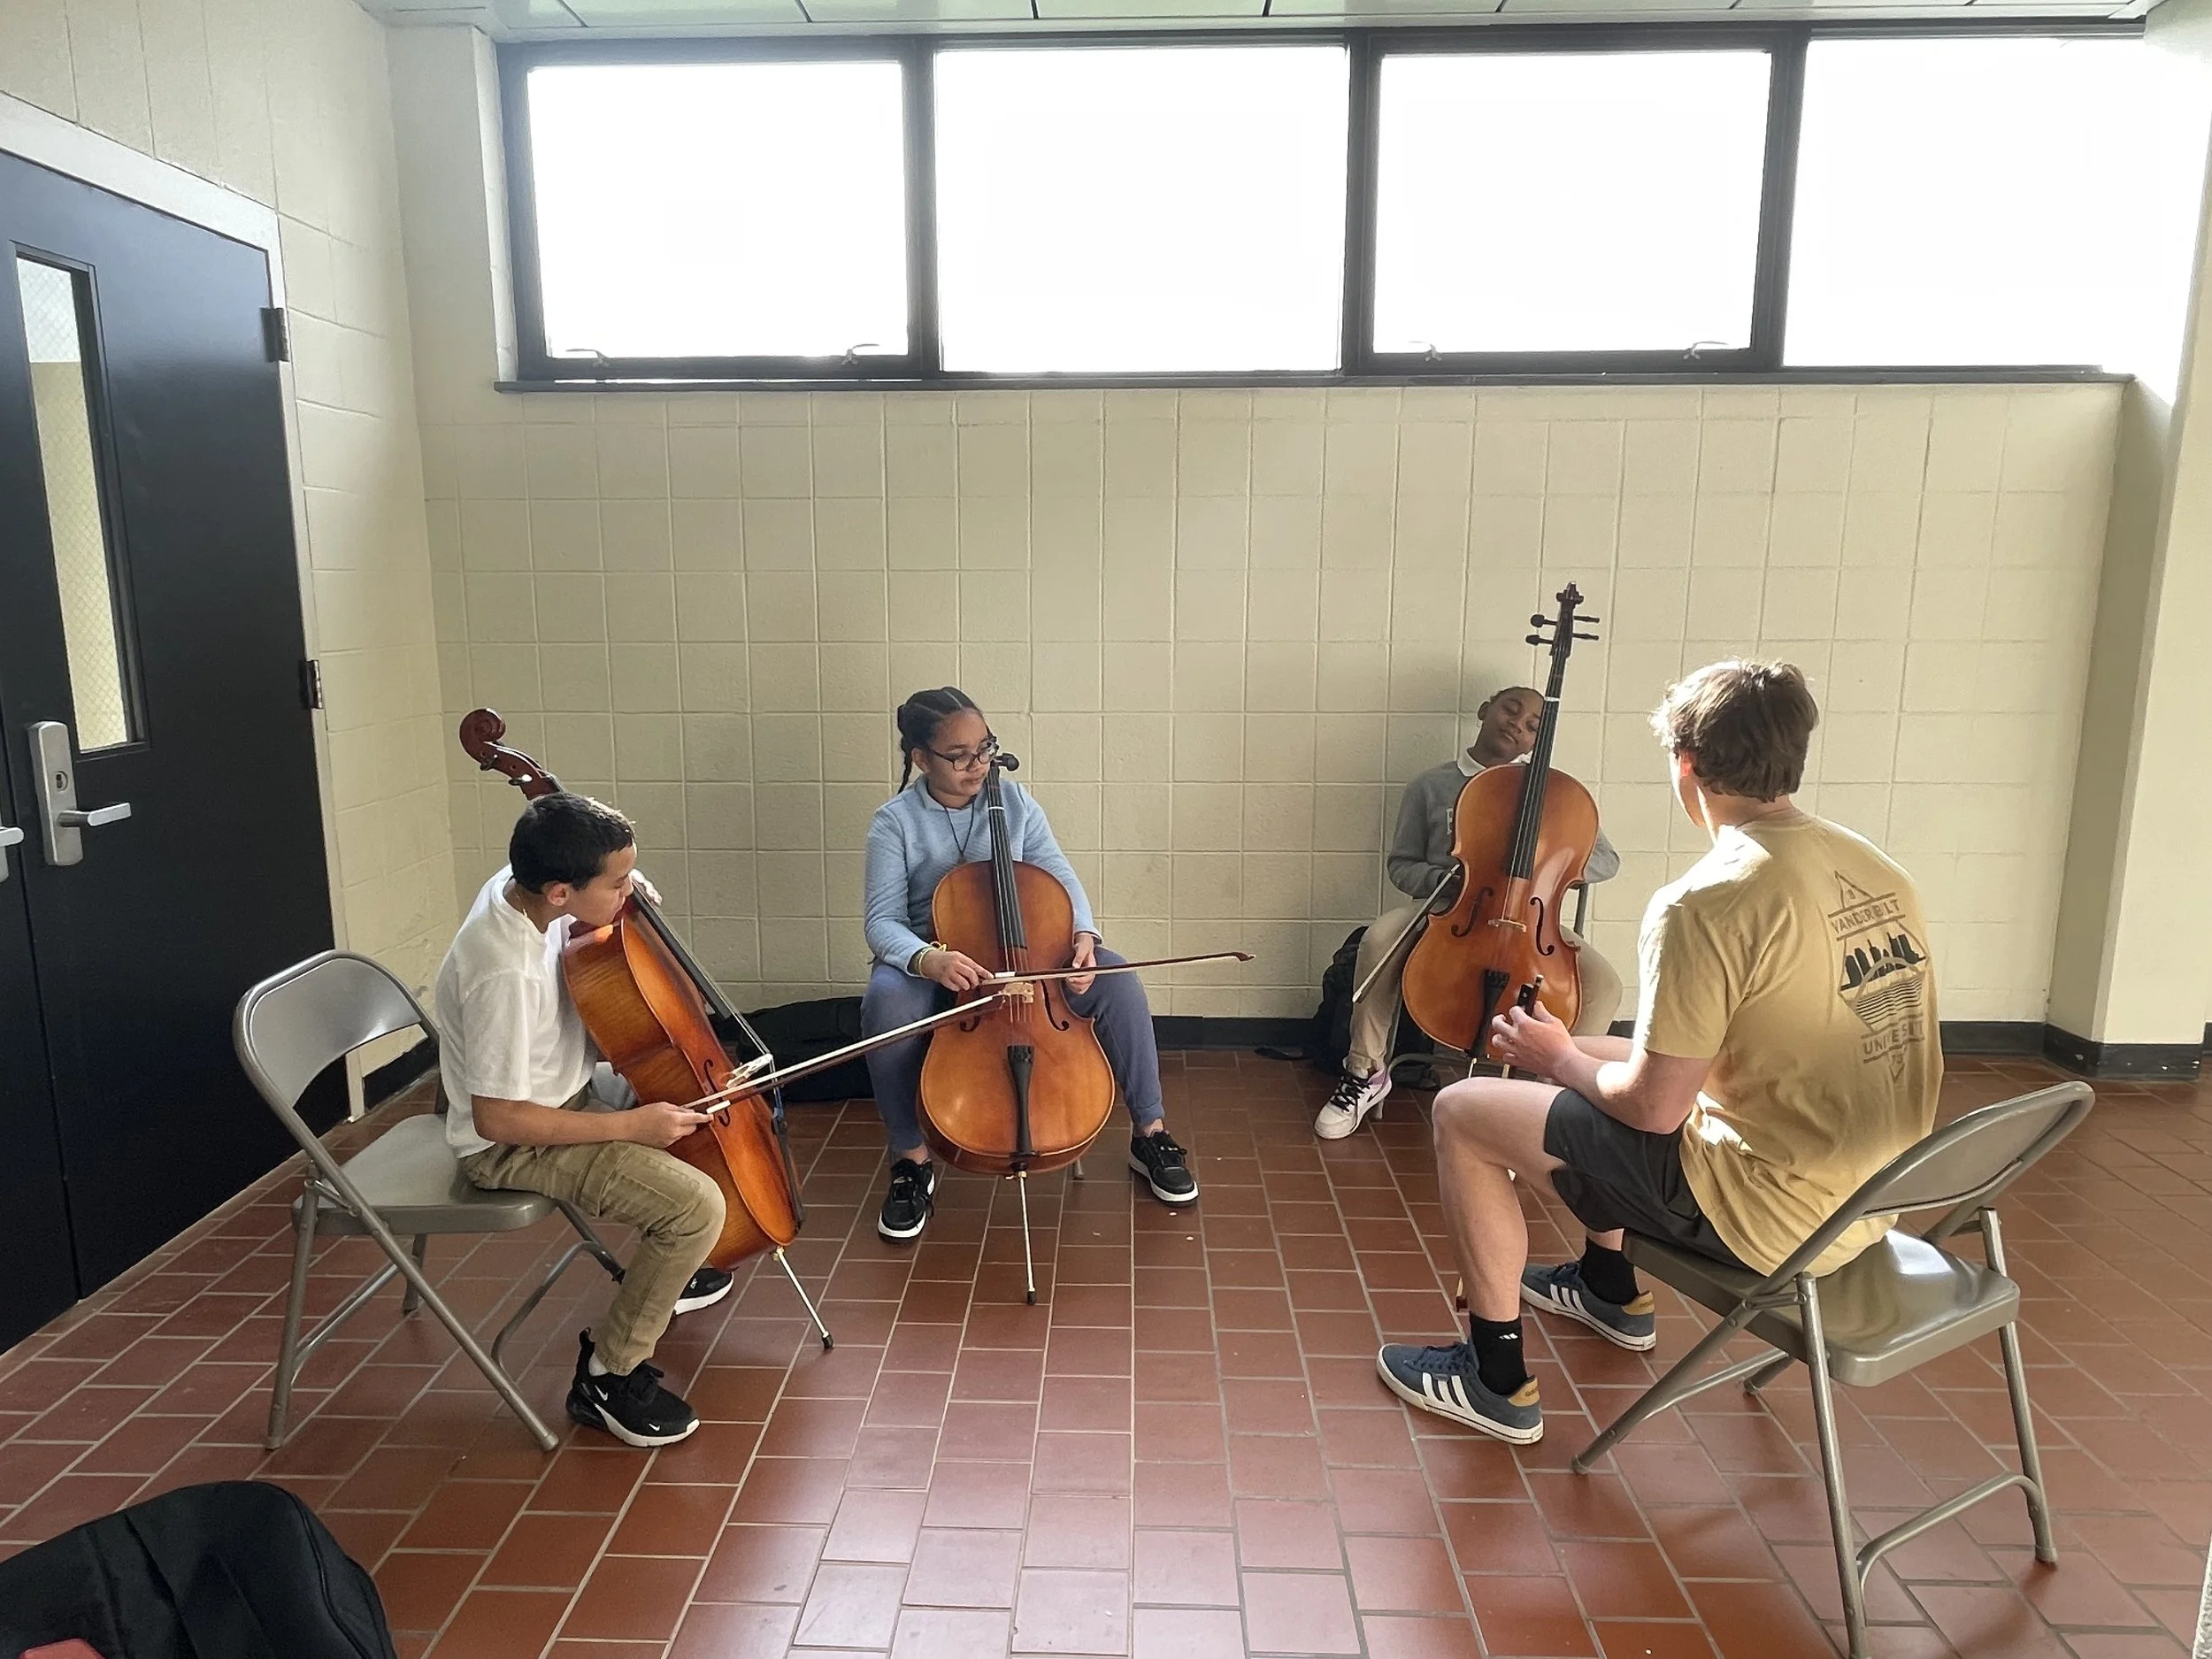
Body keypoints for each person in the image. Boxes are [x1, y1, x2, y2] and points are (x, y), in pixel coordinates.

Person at [1377, 660, 1940, 1444]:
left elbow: (1652, 1106)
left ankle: (1494, 1378)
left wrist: (1556, 1060)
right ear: (1794, 754)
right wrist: (1574, 1054)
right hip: (1869, 1195)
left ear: (1687, 767)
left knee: (1464, 1109)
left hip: (1770, 1217)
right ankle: (1608, 1287)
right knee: (1598, 1047)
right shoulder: (1879, 869)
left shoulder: (1707, 901)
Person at [435, 793, 734, 1448]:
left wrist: (627, 882)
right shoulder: (503, 972)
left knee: (699, 1102)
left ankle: (666, 1272)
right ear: (563, 892)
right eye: (620, 883)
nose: (632, 894)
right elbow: (498, 1118)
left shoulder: (522, 884)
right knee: (694, 1207)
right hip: (513, 1141)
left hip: (565, 1087)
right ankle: (607, 1374)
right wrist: (630, 1127)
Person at [862, 687, 1197, 1241]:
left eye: (985, 748)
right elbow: (881, 923)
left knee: (1116, 980)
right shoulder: (894, 822)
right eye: (960, 754)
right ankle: (911, 1160)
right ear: (921, 758)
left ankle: (1150, 1131)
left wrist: (1084, 936)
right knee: (886, 1002)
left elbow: (1060, 876)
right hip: (938, 962)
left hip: (1025, 956)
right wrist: (928, 959)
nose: (978, 765)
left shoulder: (1015, 803)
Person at [1316, 685, 1625, 1141]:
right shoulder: (1431, 784)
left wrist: (1555, 865)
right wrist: (1457, 878)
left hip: (1530, 917)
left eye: (1533, 725)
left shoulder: (1556, 796)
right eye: (1510, 710)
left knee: (1603, 985)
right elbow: (1401, 865)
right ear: (1486, 711)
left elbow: (1606, 860)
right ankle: (1365, 1072)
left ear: (1536, 742)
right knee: (1380, 941)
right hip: (1447, 910)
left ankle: (1551, 1094)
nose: (1517, 725)